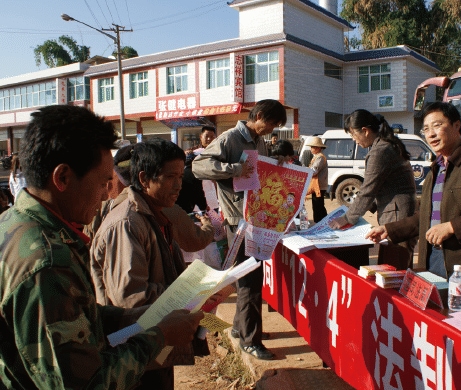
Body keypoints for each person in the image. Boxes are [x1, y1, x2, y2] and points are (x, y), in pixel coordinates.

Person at [0, 105, 204, 389]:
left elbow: (82, 318)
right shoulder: (47, 263)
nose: (108, 194)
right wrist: (159, 337)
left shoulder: (17, 223)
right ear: (62, 178)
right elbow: (85, 383)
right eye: (102, 182)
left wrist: (139, 318)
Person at [89, 138, 213, 389]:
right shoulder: (127, 224)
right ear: (144, 179)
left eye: (180, 176)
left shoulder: (157, 213)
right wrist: (191, 293)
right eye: (170, 177)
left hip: (154, 344)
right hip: (135, 350)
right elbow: (130, 298)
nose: (179, 185)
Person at [366, 102, 461, 293]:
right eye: (426, 129)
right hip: (433, 258)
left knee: (460, 320)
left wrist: (452, 227)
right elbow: (426, 217)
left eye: (437, 125)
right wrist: (389, 229)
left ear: (456, 126)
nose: (431, 134)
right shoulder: (437, 168)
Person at [192, 99, 287, 360]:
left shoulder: (258, 140)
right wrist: (234, 168)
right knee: (250, 281)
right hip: (237, 222)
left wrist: (275, 161)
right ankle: (249, 340)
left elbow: (258, 170)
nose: (272, 128)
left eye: (277, 125)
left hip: (253, 218)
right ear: (257, 115)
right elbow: (198, 166)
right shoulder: (230, 138)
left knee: (246, 277)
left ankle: (239, 328)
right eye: (271, 122)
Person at [328, 110, 417, 270]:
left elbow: (368, 190)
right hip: (399, 212)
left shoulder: (380, 151)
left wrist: (348, 218)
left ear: (365, 130)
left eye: (354, 136)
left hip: (397, 215)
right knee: (392, 267)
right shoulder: (386, 145)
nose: (355, 141)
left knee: (394, 271)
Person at [305, 136, 328, 222]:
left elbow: (314, 171)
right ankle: (323, 221)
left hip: (319, 185)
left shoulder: (320, 157)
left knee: (318, 205)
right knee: (318, 205)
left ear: (318, 148)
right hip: (317, 185)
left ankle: (321, 222)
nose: (311, 149)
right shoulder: (317, 156)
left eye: (312, 147)